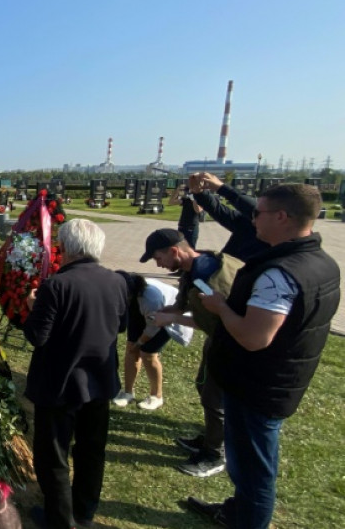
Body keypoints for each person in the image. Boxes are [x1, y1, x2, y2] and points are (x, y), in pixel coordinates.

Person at [188, 184, 340, 529]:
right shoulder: (322, 262)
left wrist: (221, 307)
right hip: (280, 379)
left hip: (258, 386)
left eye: (258, 212)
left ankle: (247, 519)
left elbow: (254, 338)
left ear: (282, 217)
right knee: (250, 464)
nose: (252, 219)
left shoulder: (278, 274)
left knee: (253, 470)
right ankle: (238, 510)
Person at [18, 219, 128, 529]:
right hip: (100, 381)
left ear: (67, 248)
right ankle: (84, 512)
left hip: (60, 383)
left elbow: (37, 336)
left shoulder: (57, 285)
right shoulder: (118, 281)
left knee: (53, 456)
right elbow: (121, 325)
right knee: (92, 451)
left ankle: (60, 519)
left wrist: (32, 306)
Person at [140, 228, 243, 477]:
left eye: (159, 258)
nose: (159, 265)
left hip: (231, 344)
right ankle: (212, 437)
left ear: (174, 251)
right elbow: (193, 304)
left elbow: (217, 320)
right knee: (203, 385)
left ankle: (215, 454)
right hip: (218, 341)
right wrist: (172, 311)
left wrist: (172, 319)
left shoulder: (207, 275)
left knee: (214, 399)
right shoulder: (195, 269)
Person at [112, 271, 193, 411]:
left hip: (165, 316)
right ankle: (128, 392)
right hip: (142, 313)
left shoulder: (151, 299)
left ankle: (156, 396)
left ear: (129, 293)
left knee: (148, 354)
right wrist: (134, 345)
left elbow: (153, 327)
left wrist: (140, 343)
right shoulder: (127, 295)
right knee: (131, 349)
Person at [189, 172, 268, 262]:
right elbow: (219, 211)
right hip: (227, 268)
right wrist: (200, 193)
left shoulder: (279, 248)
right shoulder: (249, 224)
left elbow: (253, 209)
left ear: (279, 215)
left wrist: (221, 187)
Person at [170, 184, 202, 249]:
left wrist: (193, 199)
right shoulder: (186, 199)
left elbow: (198, 210)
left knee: (190, 248)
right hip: (182, 226)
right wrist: (177, 190)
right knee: (180, 247)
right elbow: (171, 202)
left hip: (192, 228)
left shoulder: (200, 199)